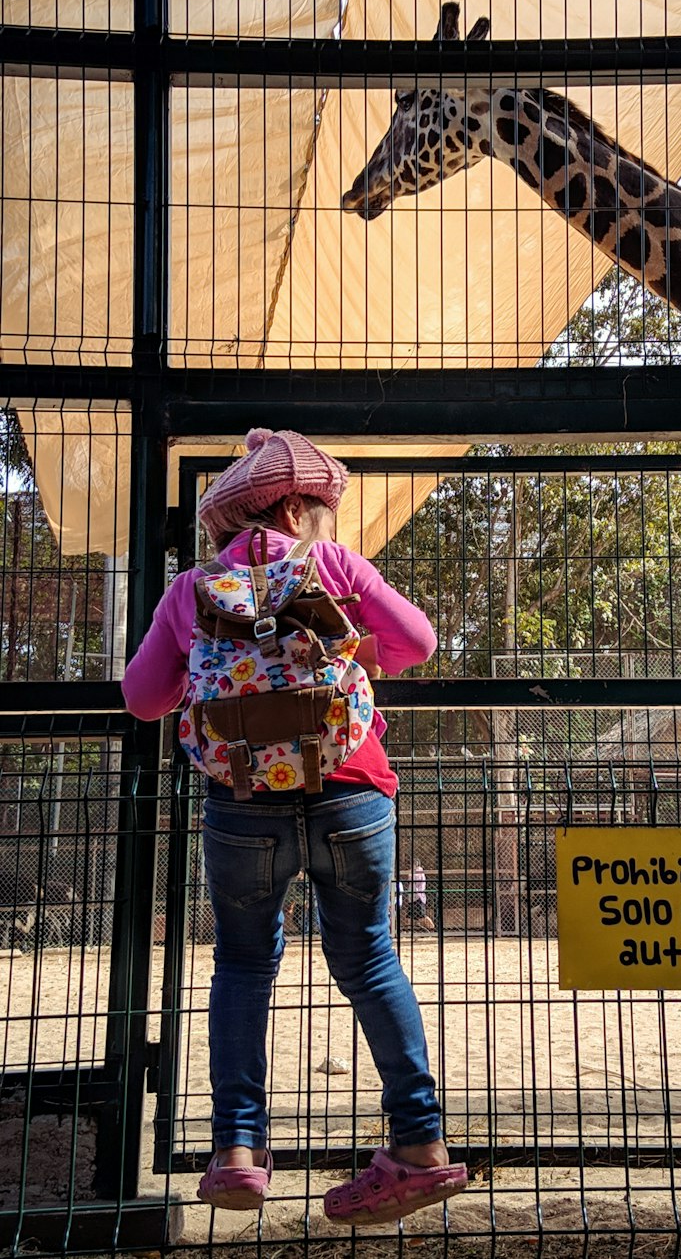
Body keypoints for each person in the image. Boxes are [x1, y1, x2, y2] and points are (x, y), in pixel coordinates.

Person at [122, 428, 467, 1223]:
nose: (325, 519)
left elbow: (143, 700)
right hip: (351, 792)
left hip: (242, 806)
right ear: (289, 505)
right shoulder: (333, 569)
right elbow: (417, 642)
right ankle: (418, 1144)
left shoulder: (194, 590)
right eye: (319, 506)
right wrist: (361, 653)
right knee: (369, 960)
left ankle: (237, 1152)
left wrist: (213, 684)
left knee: (243, 967)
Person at [398, 862, 435, 931]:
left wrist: (410, 873)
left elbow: (414, 878)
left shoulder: (419, 870)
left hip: (418, 897)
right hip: (412, 897)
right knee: (409, 916)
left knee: (422, 915)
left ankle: (432, 928)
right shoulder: (414, 871)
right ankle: (406, 931)